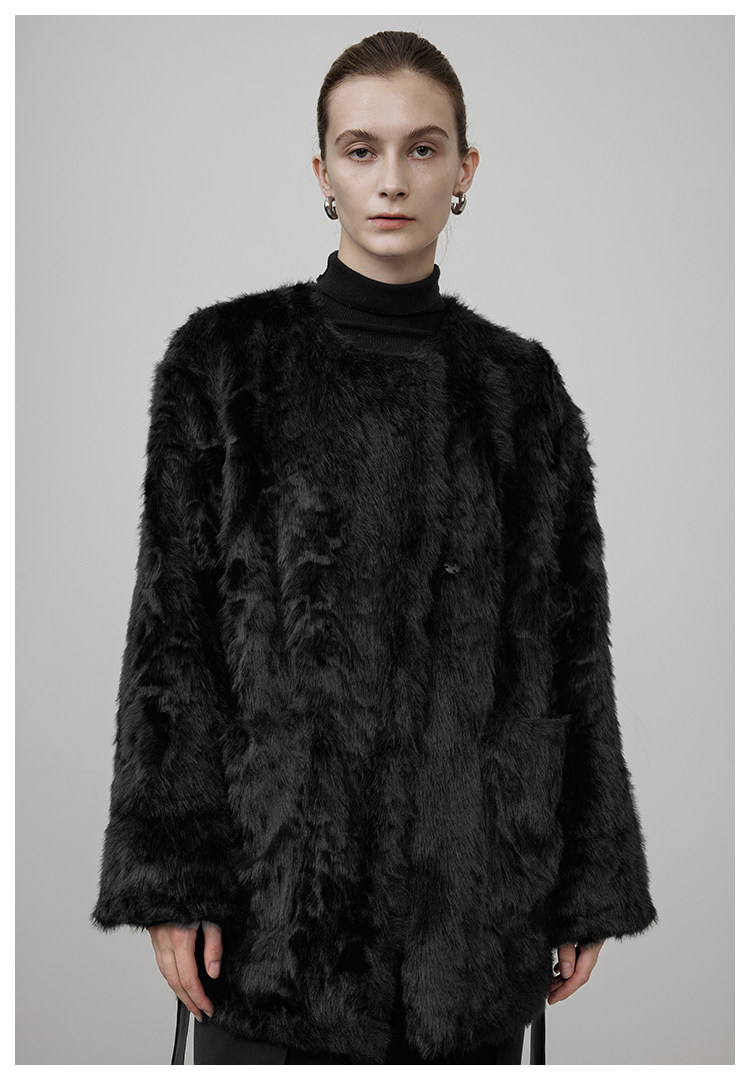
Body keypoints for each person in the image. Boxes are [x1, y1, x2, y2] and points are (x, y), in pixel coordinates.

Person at [91, 29, 658, 1066]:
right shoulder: (226, 362)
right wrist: (174, 879)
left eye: (422, 148)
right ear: (323, 172)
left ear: (464, 169)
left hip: (473, 915)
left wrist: (589, 877)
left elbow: (573, 647)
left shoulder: (521, 389)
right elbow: (171, 640)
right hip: (274, 917)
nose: (392, 178)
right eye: (361, 149)